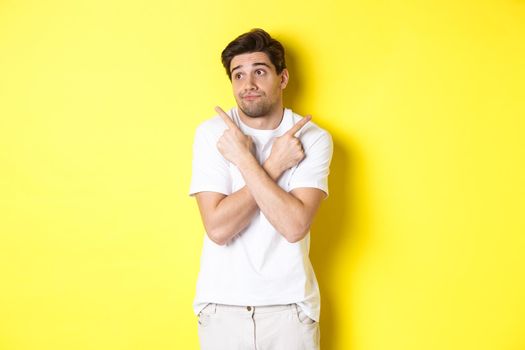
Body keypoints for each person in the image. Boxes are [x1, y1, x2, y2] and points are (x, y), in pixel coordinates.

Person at [189, 28, 333, 350]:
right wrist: (271, 165)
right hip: (221, 308)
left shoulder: (313, 139)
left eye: (259, 72)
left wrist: (244, 161)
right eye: (238, 75)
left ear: (282, 78)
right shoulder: (212, 135)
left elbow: (294, 225)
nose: (248, 85)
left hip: (290, 311)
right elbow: (218, 228)